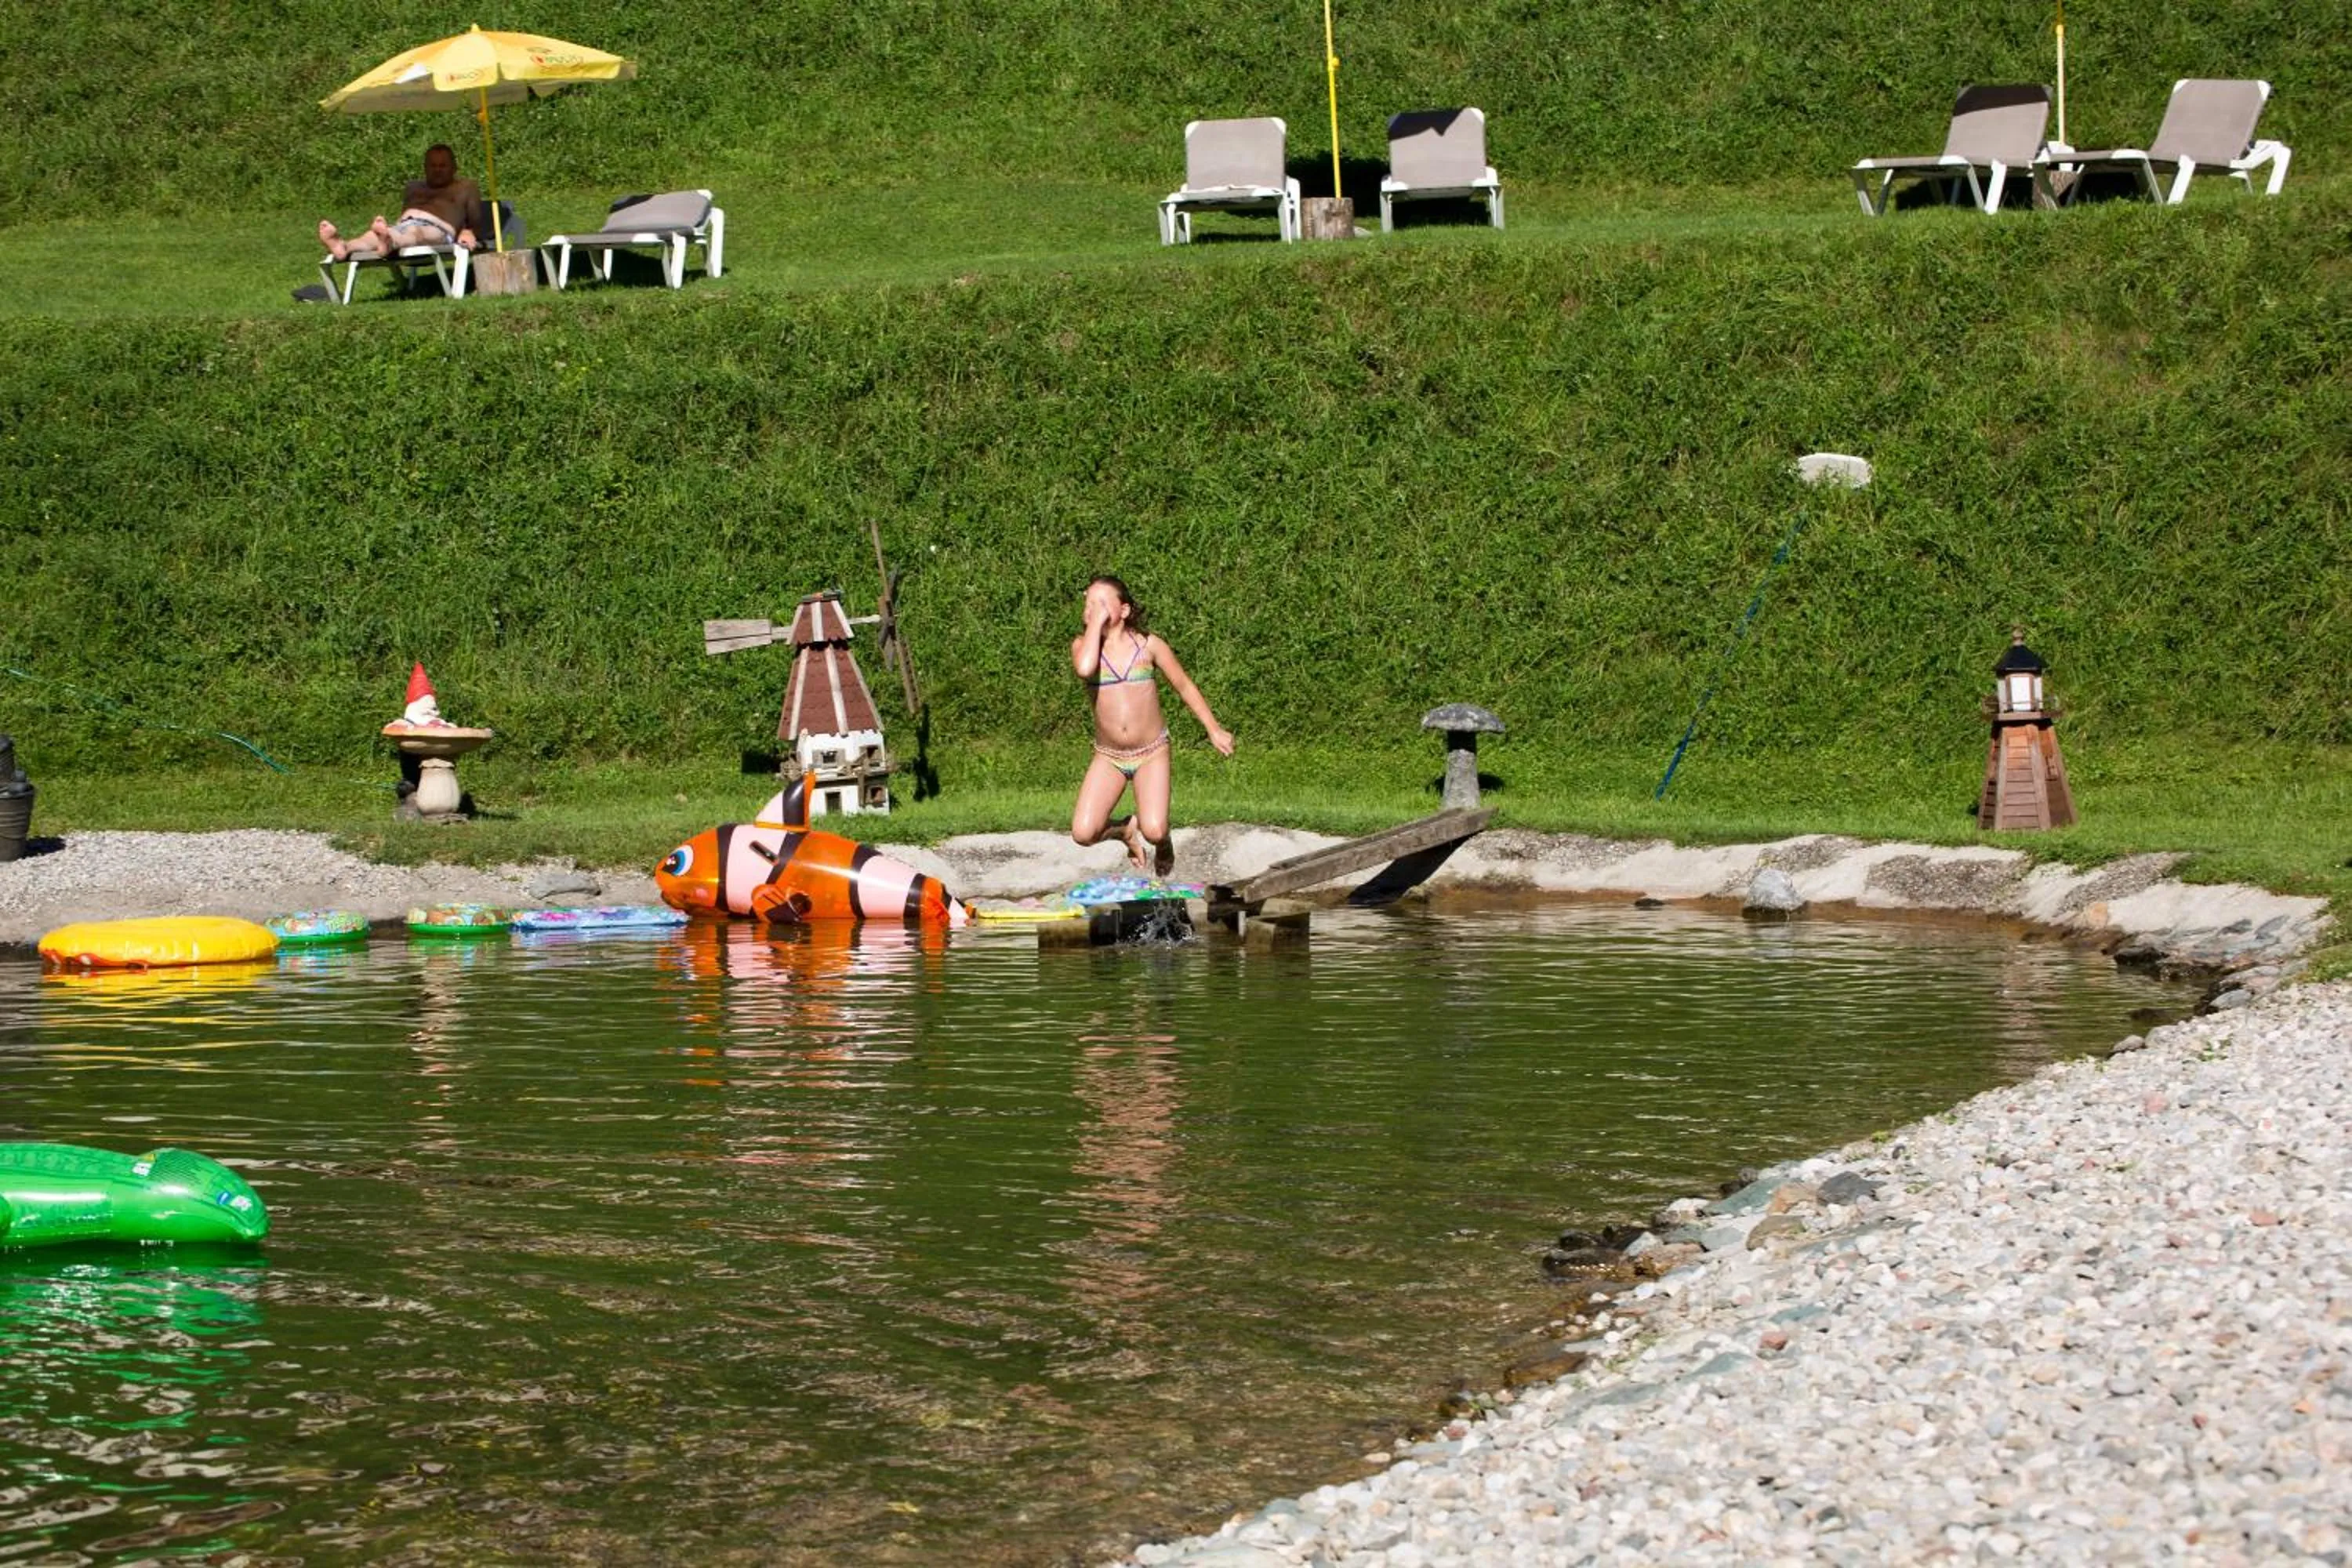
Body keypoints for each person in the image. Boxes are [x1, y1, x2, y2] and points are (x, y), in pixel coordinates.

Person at [1070, 575, 1233, 876]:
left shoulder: (1149, 646)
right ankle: (1124, 832)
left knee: (1155, 830)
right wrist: (1095, 624)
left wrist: (1213, 728)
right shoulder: (1082, 646)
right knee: (1083, 833)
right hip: (1109, 756)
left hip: (1151, 752)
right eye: (1088, 603)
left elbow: (1184, 685)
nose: (1093, 609)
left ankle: (1162, 841)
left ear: (1124, 610)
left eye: (1102, 603)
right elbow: (1084, 669)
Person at [318, 143, 485, 261]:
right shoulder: (414, 187)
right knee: (372, 236)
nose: (438, 170)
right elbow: (405, 216)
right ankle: (344, 247)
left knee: (415, 232)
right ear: (425, 168)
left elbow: (476, 219)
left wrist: (469, 231)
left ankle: (390, 242)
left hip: (439, 230)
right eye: (433, 165)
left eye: (443, 165)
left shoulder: (465, 188)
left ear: (454, 168)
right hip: (403, 225)